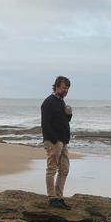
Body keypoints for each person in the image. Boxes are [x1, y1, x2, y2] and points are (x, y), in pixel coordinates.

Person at [40, 76, 72, 208]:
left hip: (63, 141)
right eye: (64, 88)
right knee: (52, 169)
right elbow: (45, 124)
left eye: (67, 88)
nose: (66, 90)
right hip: (53, 141)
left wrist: (69, 115)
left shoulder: (61, 102)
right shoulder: (48, 102)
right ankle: (52, 198)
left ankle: (59, 197)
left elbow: (64, 121)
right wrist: (54, 140)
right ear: (57, 86)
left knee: (64, 169)